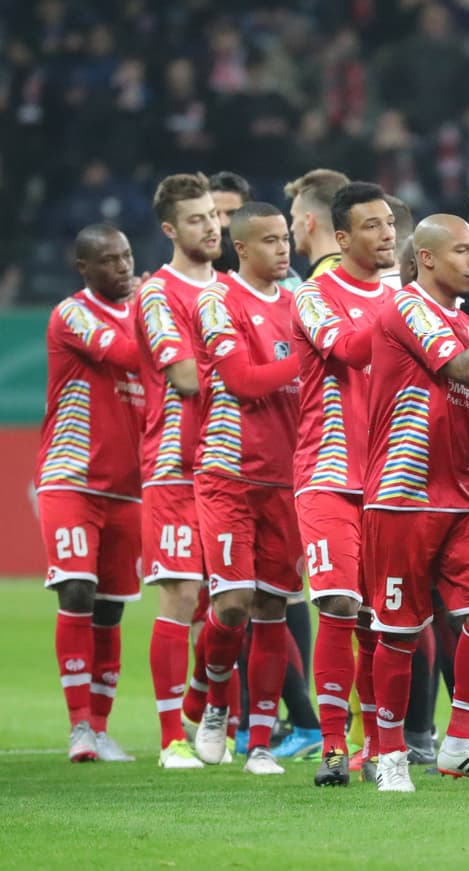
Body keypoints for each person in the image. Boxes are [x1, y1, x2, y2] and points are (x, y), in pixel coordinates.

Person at [364, 214, 469, 793]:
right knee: (400, 631)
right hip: (401, 494)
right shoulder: (406, 308)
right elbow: (461, 369)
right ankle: (390, 755)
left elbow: (465, 399)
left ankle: (460, 743)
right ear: (426, 258)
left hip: (459, 490)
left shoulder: (459, 319)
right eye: (461, 251)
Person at [189, 203, 303, 776]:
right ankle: (214, 704)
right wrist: (308, 359)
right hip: (228, 474)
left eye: (285, 239)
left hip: (287, 479)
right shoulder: (218, 301)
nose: (283, 250)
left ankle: (258, 741)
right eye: (269, 241)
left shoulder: (298, 305)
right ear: (241, 248)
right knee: (232, 605)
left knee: (272, 607)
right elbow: (241, 381)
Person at [292, 181, 398, 785]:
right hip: (329, 475)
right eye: (371, 226)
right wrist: (404, 311)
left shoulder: (402, 295)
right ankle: (334, 744)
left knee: (381, 620)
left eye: (389, 225)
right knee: (338, 603)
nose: (386, 235)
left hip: (390, 479)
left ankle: (381, 748)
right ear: (341, 238)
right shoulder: (314, 297)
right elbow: (353, 349)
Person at [36, 224, 145, 764]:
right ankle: (79, 726)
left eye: (127, 257)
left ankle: (100, 729)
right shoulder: (72, 314)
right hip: (72, 477)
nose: (123, 267)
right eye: (109, 260)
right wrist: (157, 315)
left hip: (129, 489)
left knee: (110, 610)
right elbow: (129, 355)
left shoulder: (143, 313)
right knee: (76, 589)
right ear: (84, 268)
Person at [136, 174, 221, 768]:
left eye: (214, 215)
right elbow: (186, 378)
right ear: (171, 229)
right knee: (182, 593)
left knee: (231, 600)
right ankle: (171, 737)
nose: (212, 226)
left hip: (236, 465)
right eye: (197, 219)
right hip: (174, 463)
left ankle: (200, 698)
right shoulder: (158, 294)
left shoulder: (237, 289)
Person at [284, 168, 351, 279]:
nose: (292, 228)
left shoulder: (315, 289)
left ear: (308, 221)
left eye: (294, 218)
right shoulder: (369, 278)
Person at [208, 171, 251, 274]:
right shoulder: (180, 283)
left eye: (232, 214)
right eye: (214, 214)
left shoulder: (279, 281)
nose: (223, 223)